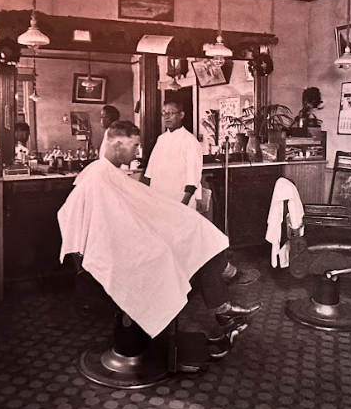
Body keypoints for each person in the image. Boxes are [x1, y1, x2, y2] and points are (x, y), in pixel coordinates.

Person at [58, 121, 260, 359]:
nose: (137, 152)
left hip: (126, 242)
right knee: (177, 249)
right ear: (118, 143)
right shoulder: (98, 176)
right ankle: (224, 302)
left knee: (200, 235)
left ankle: (224, 305)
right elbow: (106, 226)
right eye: (134, 146)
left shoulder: (108, 172)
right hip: (117, 253)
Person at [144, 101, 258, 286]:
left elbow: (192, 177)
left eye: (171, 113)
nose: (166, 116)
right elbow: (150, 173)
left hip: (180, 202)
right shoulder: (161, 140)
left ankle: (222, 272)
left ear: (181, 115)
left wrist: (182, 204)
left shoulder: (190, 142)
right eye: (164, 112)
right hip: (160, 203)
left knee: (196, 240)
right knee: (181, 243)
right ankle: (217, 273)